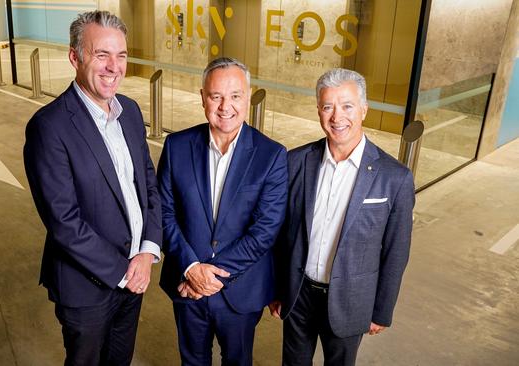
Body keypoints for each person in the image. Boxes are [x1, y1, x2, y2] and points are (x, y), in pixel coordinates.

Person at [23, 11, 161, 366]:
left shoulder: (129, 111)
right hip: (87, 289)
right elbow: (64, 223)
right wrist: (122, 273)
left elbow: (148, 185)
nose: (114, 67)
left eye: (122, 56)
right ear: (75, 57)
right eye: (102, 55)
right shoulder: (49, 127)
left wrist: (146, 252)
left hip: (135, 276)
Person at [269, 68, 415, 366]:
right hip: (298, 294)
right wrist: (276, 288)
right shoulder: (295, 161)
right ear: (318, 111)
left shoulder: (395, 177)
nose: (337, 117)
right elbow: (281, 234)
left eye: (347, 106)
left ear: (363, 109)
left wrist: (381, 310)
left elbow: (396, 251)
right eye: (327, 106)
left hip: (351, 299)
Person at [158, 57, 288, 366]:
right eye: (216, 96)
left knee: (238, 361)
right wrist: (191, 268)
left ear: (248, 95)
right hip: (186, 285)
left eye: (235, 96)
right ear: (202, 96)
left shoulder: (271, 155)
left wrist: (208, 277)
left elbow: (264, 231)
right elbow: (163, 212)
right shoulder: (177, 146)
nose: (225, 106)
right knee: (192, 360)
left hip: (239, 291)